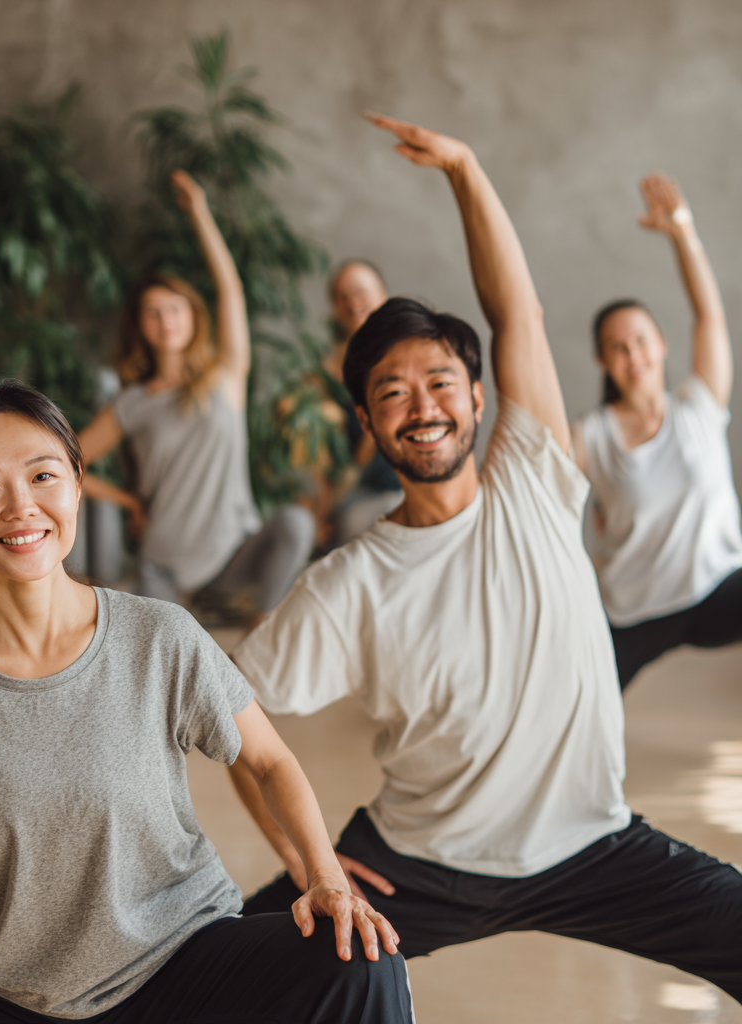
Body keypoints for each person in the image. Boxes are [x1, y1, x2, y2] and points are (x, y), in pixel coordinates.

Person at [229, 114, 742, 1003]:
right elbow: (229, 711)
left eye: (439, 384)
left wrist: (466, 171)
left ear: (478, 399)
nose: (419, 405)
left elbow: (518, 314)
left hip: (594, 845)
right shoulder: (349, 582)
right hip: (419, 867)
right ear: (369, 423)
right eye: (391, 392)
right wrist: (304, 857)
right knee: (231, 972)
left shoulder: (535, 478)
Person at [0, 380, 412, 1024]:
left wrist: (324, 877)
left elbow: (270, 761)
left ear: (77, 482)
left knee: (360, 960)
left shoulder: (160, 635)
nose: (21, 507)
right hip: (13, 994)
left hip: (185, 960)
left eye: (43, 476)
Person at [78, 171, 314, 616]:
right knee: (160, 669)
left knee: (295, 523)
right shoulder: (132, 404)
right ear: (141, 327)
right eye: (152, 312)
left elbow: (231, 291)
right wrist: (128, 500)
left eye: (174, 308)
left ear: (192, 317)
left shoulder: (226, 378)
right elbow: (65, 462)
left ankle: (263, 634)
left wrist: (201, 215)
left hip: (232, 554)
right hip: (164, 563)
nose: (165, 319)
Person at [571, 172, 742, 690]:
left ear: (662, 344)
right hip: (636, 609)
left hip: (720, 587)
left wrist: (682, 233)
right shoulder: (591, 436)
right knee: (580, 707)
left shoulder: (699, 406)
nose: (633, 356)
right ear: (603, 360)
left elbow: (709, 315)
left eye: (641, 341)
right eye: (618, 347)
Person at [320, 261, 402, 544]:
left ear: (383, 297)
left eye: (360, 293)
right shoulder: (325, 376)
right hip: (357, 496)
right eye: (342, 297)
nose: (353, 303)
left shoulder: (407, 356)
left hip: (406, 486)